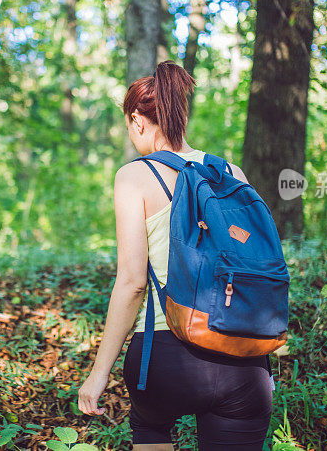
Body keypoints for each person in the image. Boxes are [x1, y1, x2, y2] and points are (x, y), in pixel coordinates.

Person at [77, 61, 274, 450]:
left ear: (137, 120)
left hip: (167, 353)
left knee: (151, 431)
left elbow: (133, 283)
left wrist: (100, 373)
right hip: (244, 358)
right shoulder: (231, 172)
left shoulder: (134, 177)